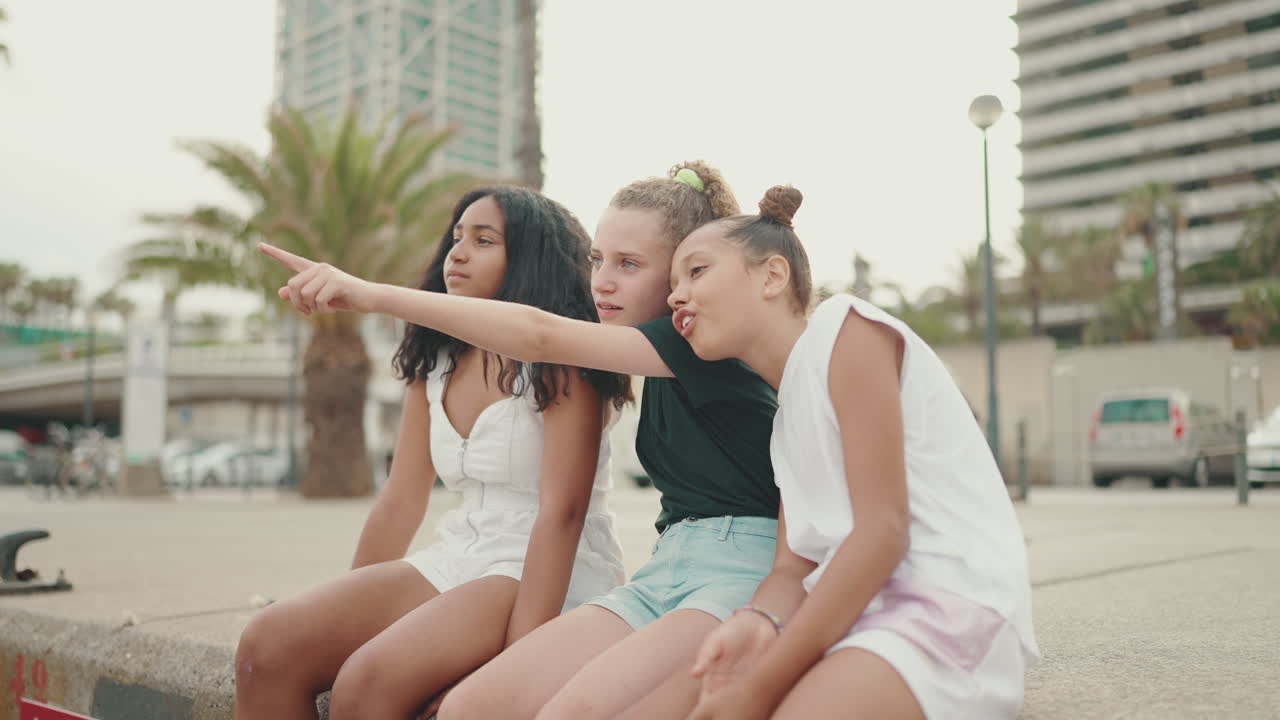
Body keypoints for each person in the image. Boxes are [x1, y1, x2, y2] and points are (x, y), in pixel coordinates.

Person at [259, 162, 783, 720]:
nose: (601, 280)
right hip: (666, 566)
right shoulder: (653, 359)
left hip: (739, 567)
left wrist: (368, 295)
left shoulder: (699, 342)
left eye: (628, 264)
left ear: (687, 271)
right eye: (596, 260)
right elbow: (401, 496)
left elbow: (539, 337)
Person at [234, 187, 630, 720]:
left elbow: (563, 515)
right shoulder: (434, 357)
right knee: (267, 644)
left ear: (529, 259)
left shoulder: (563, 358)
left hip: (546, 569)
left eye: (483, 240)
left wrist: (519, 662)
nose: (457, 252)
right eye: (456, 237)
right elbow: (401, 499)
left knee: (367, 683)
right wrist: (350, 608)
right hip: (459, 555)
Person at [667, 186, 1039, 719]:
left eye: (696, 271)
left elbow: (882, 531)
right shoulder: (785, 420)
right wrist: (757, 621)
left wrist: (759, 689)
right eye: (672, 288)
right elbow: (792, 568)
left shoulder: (847, 327)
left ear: (773, 276)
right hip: (859, 614)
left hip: (943, 607)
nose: (677, 296)